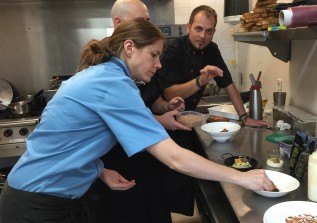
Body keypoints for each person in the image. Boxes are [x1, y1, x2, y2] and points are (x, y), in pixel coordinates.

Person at [0, 18, 274, 223]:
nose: (158, 64)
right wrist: (242, 178)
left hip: (48, 196)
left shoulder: (104, 75)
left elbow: (72, 141)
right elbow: (175, 158)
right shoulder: (114, 83)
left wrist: (98, 169)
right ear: (129, 48)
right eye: (154, 55)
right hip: (37, 205)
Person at [155, 5, 272, 216]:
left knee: (186, 181)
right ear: (188, 27)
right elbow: (170, 93)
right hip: (165, 122)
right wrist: (201, 80)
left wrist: (244, 117)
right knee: (168, 182)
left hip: (189, 122)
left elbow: (228, 83)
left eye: (209, 31)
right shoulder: (173, 51)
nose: (203, 36)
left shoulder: (212, 50)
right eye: (198, 29)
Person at [92, 1, 190, 223]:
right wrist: (158, 122)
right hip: (120, 162)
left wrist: (165, 107)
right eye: (142, 22)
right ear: (119, 24)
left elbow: (150, 98)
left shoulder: (138, 61)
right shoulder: (109, 73)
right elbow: (117, 122)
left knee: (155, 209)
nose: (158, 64)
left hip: (148, 155)